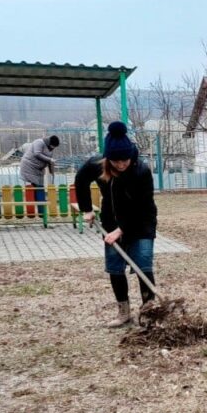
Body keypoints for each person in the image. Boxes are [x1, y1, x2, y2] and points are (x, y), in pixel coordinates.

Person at [74, 122, 157, 328]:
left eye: (125, 160)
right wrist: (87, 209)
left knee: (142, 267)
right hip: (111, 222)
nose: (121, 165)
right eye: (116, 161)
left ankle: (149, 312)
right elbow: (81, 179)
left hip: (141, 223)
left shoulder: (141, 171)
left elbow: (142, 206)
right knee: (115, 269)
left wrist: (122, 230)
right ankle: (124, 313)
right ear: (108, 158)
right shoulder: (98, 165)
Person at [19, 135, 60, 207]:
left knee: (39, 186)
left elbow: (49, 160)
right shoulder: (39, 142)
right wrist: (49, 160)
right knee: (37, 185)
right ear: (50, 143)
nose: (53, 148)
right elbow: (37, 154)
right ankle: (39, 203)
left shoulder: (50, 149)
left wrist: (52, 171)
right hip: (30, 166)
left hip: (39, 170)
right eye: (53, 146)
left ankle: (40, 202)